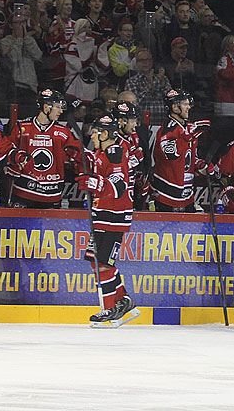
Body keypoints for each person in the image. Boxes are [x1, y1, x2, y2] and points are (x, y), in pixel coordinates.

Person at [76, 115, 140, 328]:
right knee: (97, 262)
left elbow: (118, 185)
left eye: (94, 132)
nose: (91, 136)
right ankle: (124, 301)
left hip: (114, 217)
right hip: (102, 214)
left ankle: (110, 308)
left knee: (103, 263)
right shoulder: (101, 153)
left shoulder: (116, 154)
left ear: (104, 134)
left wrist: (94, 183)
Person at [7, 89, 82, 208]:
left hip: (51, 194)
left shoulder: (63, 132)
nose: (61, 111)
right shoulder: (22, 128)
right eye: (58, 107)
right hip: (24, 192)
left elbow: (78, 155)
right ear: (46, 107)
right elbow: (7, 152)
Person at [150, 90, 214, 212]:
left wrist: (200, 164)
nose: (189, 107)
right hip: (166, 194)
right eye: (185, 104)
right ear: (174, 107)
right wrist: (189, 135)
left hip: (187, 194)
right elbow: (172, 154)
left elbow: (189, 157)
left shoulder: (188, 128)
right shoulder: (168, 130)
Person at [113, 100, 149, 212]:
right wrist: (134, 160)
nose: (135, 125)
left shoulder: (132, 136)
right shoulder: (111, 140)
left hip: (129, 193)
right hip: (115, 198)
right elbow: (113, 170)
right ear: (121, 121)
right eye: (132, 121)